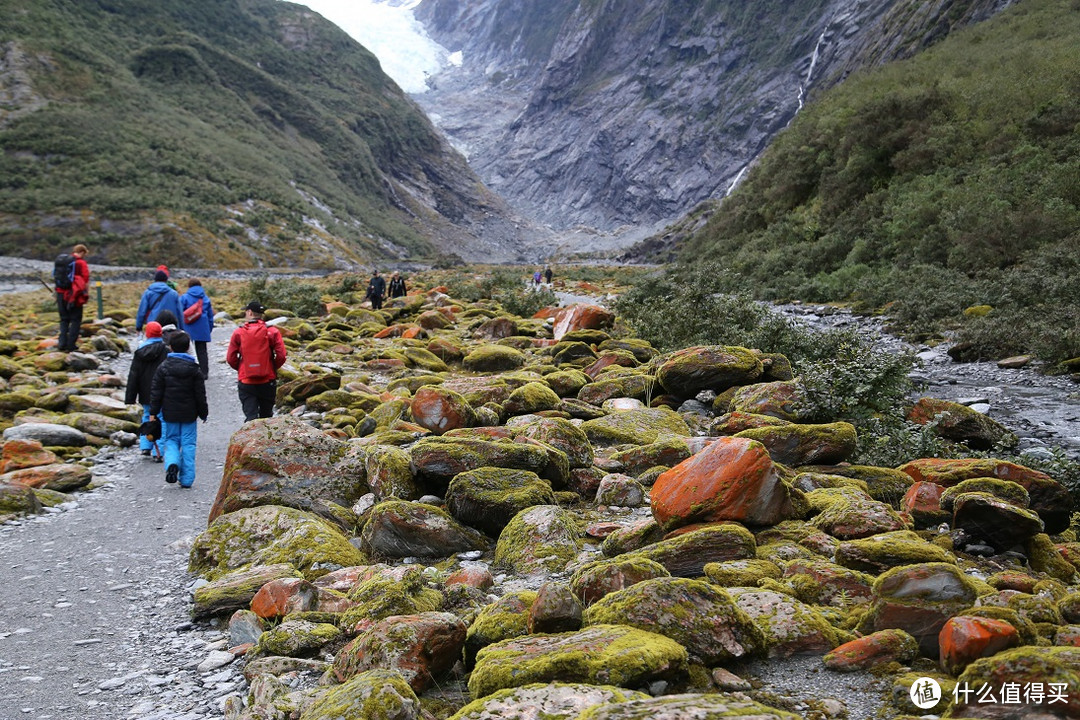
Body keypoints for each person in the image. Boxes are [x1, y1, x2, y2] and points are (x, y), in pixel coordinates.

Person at [148, 331, 207, 488]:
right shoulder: (194, 369)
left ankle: (172, 463)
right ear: (188, 347)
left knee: (172, 440)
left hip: (170, 412)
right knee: (189, 444)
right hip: (189, 414)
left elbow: (156, 392)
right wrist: (203, 413)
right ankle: (187, 479)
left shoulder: (163, 368)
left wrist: (153, 412)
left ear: (170, 347)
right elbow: (200, 394)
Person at [227, 301, 287, 422]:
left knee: (251, 417)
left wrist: (241, 368)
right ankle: (265, 440)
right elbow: (281, 355)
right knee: (266, 416)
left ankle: (250, 439)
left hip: (246, 380)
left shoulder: (238, 332)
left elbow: (230, 358)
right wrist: (272, 367)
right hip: (267, 380)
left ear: (249, 312)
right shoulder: (272, 331)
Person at [124, 321, 169, 462]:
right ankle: (159, 451)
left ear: (147, 333)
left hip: (145, 392)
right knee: (161, 418)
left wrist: (130, 397)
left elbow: (133, 376)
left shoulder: (139, 352)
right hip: (162, 391)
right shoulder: (166, 351)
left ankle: (145, 445)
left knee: (147, 415)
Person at [55, 243, 90, 352]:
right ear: (82, 252)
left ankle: (62, 344)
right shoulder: (81, 263)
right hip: (74, 295)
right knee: (75, 319)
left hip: (60, 293)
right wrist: (86, 294)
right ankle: (71, 345)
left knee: (64, 319)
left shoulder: (63, 262)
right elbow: (85, 279)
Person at [180, 278, 214, 379]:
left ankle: (187, 371)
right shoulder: (206, 298)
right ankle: (204, 373)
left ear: (189, 286)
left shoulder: (184, 297)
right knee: (202, 350)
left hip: (188, 327)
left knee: (186, 349)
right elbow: (210, 317)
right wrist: (209, 329)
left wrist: (179, 328)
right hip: (202, 327)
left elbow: (180, 314)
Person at [135, 270, 183, 334]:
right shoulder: (174, 294)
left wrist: (139, 327)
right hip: (171, 325)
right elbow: (179, 312)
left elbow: (142, 311)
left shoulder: (148, 292)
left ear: (155, 280)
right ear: (166, 280)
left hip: (153, 324)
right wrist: (181, 328)